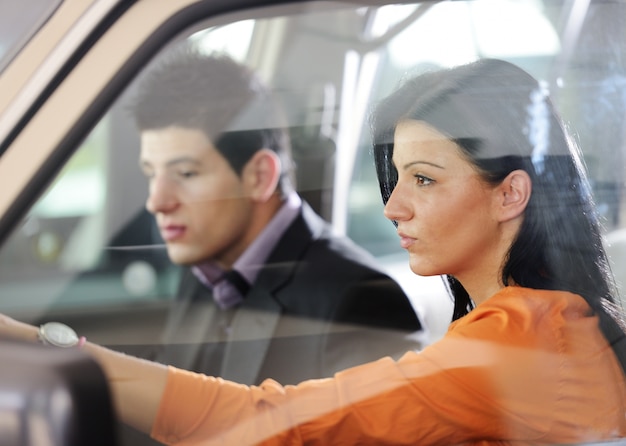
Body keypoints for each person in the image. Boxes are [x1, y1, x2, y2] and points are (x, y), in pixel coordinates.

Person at [2, 57, 626, 445]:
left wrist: (43, 347)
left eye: (425, 180)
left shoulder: (516, 340)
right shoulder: (544, 325)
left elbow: (271, 423)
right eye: (396, 178)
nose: (392, 207)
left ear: (510, 193)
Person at [122, 46, 423, 387]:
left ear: (259, 177)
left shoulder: (362, 301)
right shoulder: (203, 269)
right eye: (151, 174)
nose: (157, 202)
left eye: (186, 174)